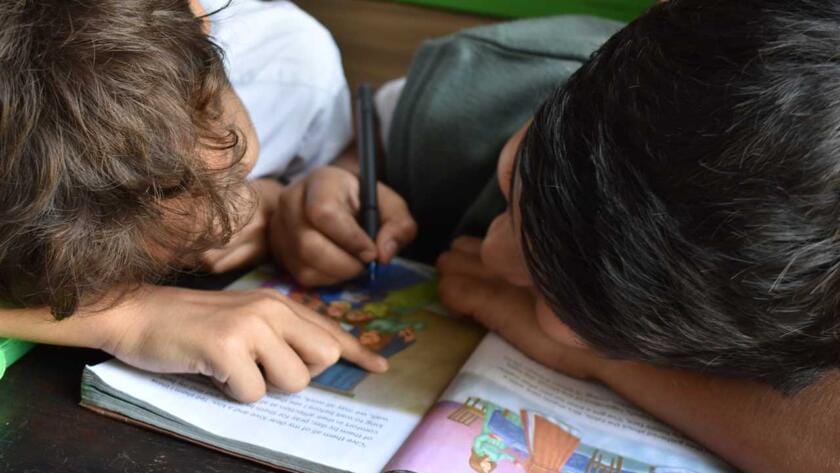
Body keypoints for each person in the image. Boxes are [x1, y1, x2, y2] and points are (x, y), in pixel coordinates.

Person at [275, 1, 840, 470]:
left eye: (553, 300)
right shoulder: (483, 83)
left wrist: (608, 364)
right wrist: (339, 178)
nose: (493, 254)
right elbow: (365, 135)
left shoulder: (809, 283)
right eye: (510, 179)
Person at [0, 0, 420, 403]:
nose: (232, 223)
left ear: (197, 16)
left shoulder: (293, 74)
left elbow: (342, 157)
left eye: (238, 172)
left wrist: (306, 188)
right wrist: (126, 317)